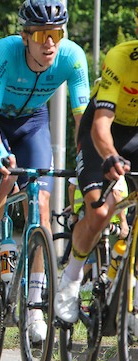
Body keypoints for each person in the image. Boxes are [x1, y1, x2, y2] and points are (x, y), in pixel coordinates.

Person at [0, 0, 90, 343]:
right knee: (2, 177)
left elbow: (84, 121)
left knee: (43, 206)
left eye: (57, 34)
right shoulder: (5, 51)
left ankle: (34, 307)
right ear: (25, 36)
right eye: (43, 35)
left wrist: (85, 162)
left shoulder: (72, 57)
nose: (50, 43)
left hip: (33, 122)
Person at [54, 39, 138, 326]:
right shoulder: (121, 57)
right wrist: (111, 156)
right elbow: (101, 126)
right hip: (101, 133)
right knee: (100, 212)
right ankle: (72, 278)